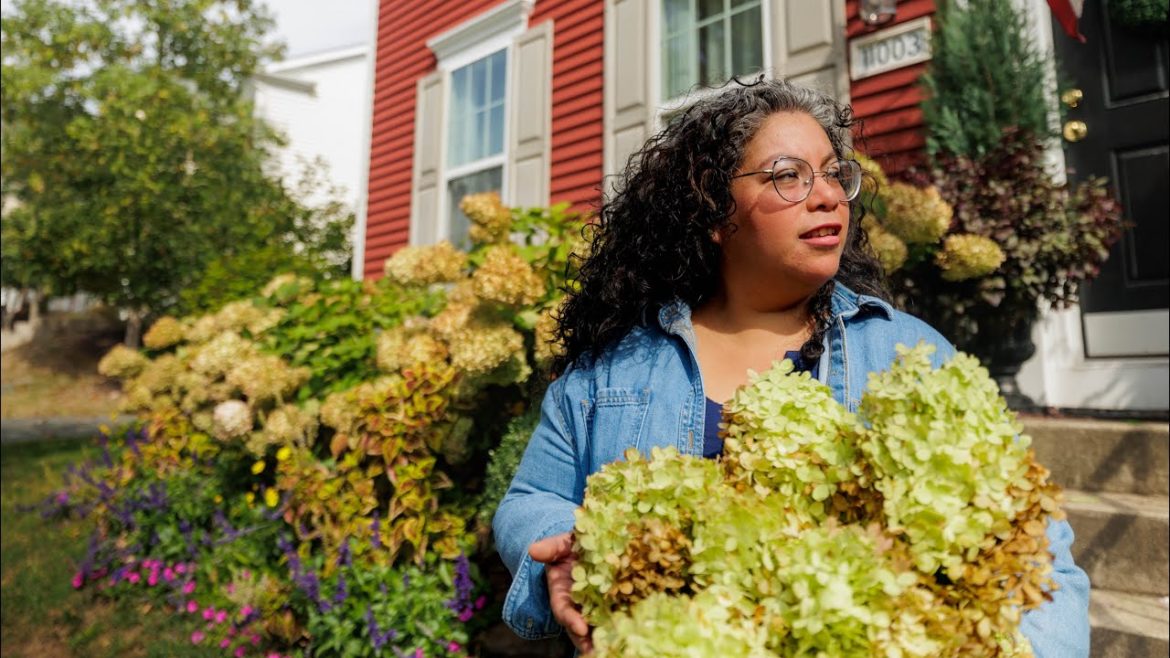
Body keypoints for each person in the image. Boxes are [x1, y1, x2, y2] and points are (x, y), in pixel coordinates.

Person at [492, 78, 1090, 656]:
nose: (828, 195)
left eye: (833, 173)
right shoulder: (612, 370)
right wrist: (564, 553)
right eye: (787, 177)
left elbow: (1037, 556)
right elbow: (531, 499)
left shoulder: (910, 355)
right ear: (712, 210)